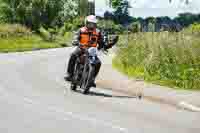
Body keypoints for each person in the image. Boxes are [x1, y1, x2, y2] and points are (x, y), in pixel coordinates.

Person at [64, 15, 118, 87]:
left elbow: (101, 43)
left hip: (92, 50)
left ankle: (91, 79)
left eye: (93, 24)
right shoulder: (81, 30)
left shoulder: (98, 32)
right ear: (86, 23)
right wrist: (75, 41)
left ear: (95, 24)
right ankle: (69, 74)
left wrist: (110, 44)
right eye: (89, 23)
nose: (91, 25)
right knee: (73, 55)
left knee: (98, 63)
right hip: (82, 48)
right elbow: (76, 37)